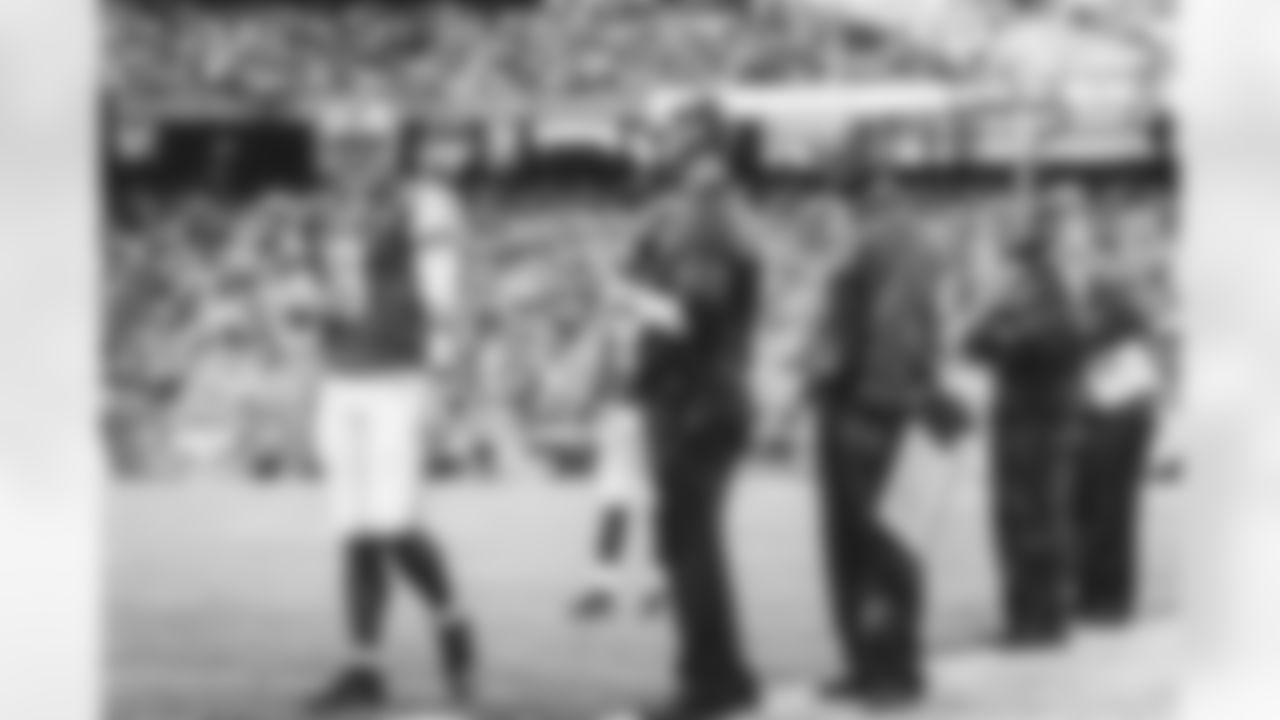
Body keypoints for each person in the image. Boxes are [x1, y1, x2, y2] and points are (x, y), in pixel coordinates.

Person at [305, 115, 477, 715]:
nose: (351, 155)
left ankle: (453, 623)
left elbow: (442, 290)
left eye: (364, 144)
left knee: (395, 521)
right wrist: (313, 312)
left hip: (398, 378)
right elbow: (334, 295)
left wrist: (446, 369)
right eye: (344, 143)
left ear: (389, 149)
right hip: (342, 376)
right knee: (354, 527)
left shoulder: (424, 202)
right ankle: (364, 667)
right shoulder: (329, 211)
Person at [805, 170, 965, 707]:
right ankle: (875, 664)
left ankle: (890, 670)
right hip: (871, 404)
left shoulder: (888, 238)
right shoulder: (900, 239)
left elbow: (892, 324)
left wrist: (875, 403)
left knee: (877, 548)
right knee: (874, 547)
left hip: (871, 410)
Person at [624, 100, 762, 720]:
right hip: (709, 393)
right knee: (694, 540)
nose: (662, 143)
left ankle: (710, 680)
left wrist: (630, 296)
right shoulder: (715, 206)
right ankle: (725, 672)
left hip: (694, 397)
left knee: (689, 545)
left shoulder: (704, 206)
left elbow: (693, 313)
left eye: (673, 133)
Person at [965, 179, 1095, 648]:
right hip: (1026, 412)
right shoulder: (1027, 283)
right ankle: (1030, 617)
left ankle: (1039, 621)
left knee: (1033, 520)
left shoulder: (1048, 283)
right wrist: (994, 332)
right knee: (1022, 520)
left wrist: (999, 336)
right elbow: (977, 339)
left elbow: (1046, 339)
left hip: (1037, 416)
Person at [1072, 189, 1168, 624]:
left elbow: (1090, 339)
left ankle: (1107, 601)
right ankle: (1104, 597)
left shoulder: (1109, 283)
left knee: (1108, 510)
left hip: (1117, 407)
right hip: (1123, 406)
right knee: (1108, 509)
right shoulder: (1116, 281)